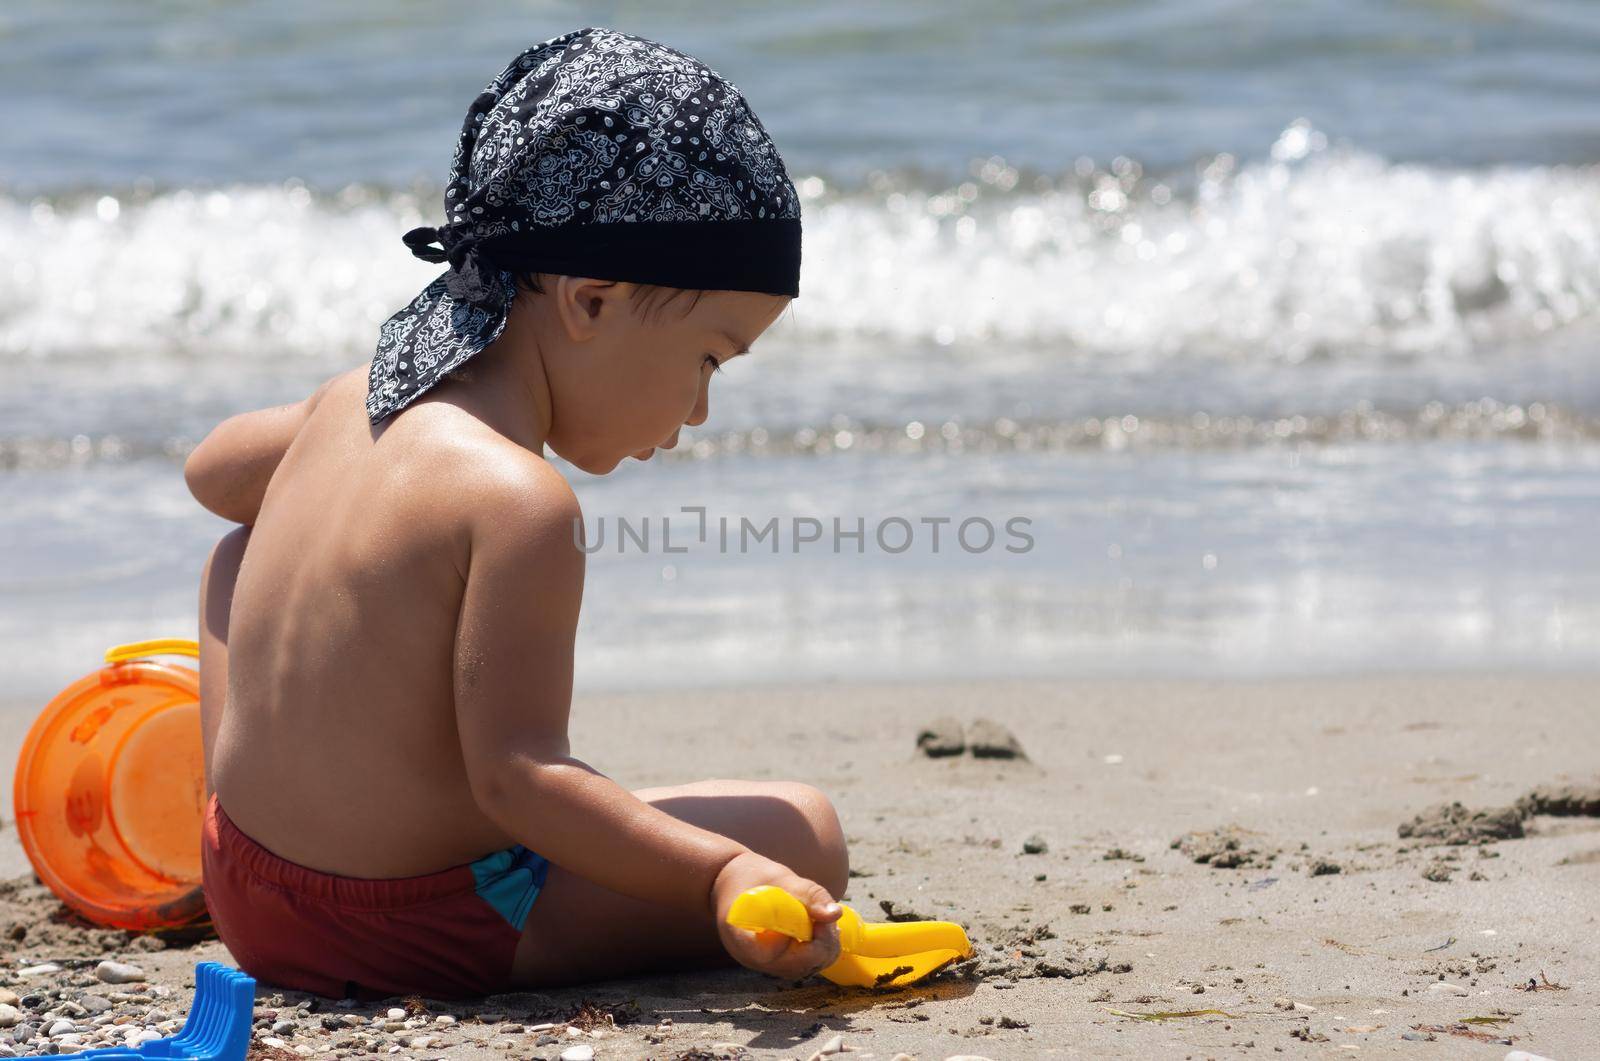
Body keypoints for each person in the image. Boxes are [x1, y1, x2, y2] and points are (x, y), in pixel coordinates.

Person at [182, 27, 847, 1000]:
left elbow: (212, 473)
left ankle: (250, 808)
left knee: (242, 551)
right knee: (802, 829)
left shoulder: (351, 401)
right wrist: (719, 871)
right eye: (709, 357)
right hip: (407, 927)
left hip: (244, 883)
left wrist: (338, 445)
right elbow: (520, 780)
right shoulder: (518, 502)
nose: (699, 407)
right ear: (589, 300)